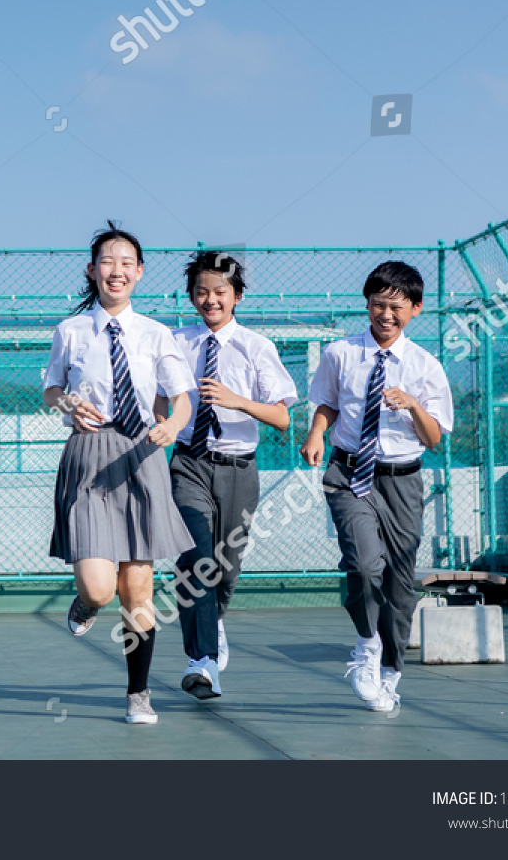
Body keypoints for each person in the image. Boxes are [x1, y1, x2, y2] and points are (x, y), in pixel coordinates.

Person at [43, 222, 195, 724]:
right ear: (92, 270)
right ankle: (86, 605)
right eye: (108, 261)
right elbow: (50, 392)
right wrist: (66, 401)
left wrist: (171, 426)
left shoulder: (156, 333)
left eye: (127, 262)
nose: (117, 270)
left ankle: (138, 694)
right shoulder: (70, 332)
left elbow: (181, 400)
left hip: (141, 455)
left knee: (138, 590)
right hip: (89, 454)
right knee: (100, 587)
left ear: (140, 273)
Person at [301, 261, 453, 713]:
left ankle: (391, 672)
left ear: (415, 310)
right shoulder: (341, 354)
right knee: (365, 566)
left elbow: (435, 438)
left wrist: (411, 405)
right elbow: (327, 403)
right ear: (367, 304)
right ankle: (366, 647)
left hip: (402, 482)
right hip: (349, 474)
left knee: (399, 586)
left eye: (395, 306)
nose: (385, 314)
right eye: (377, 304)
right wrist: (315, 433)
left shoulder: (425, 367)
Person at [167, 251, 297, 700]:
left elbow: (281, 418)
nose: (210, 300)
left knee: (225, 570)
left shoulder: (257, 347)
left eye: (220, 292)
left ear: (236, 296)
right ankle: (201, 662)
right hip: (187, 463)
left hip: (239, 468)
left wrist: (236, 400)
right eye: (201, 292)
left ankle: (214, 622)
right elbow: (157, 399)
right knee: (195, 557)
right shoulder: (175, 342)